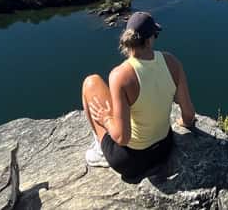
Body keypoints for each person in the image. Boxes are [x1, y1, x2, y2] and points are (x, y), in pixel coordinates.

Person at [80, 11, 196, 183]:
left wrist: (106, 120)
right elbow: (189, 114)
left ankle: (100, 149)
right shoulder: (172, 62)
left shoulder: (121, 75)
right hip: (164, 148)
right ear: (149, 40)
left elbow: (122, 138)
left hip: (130, 161)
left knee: (91, 82)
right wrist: (184, 123)